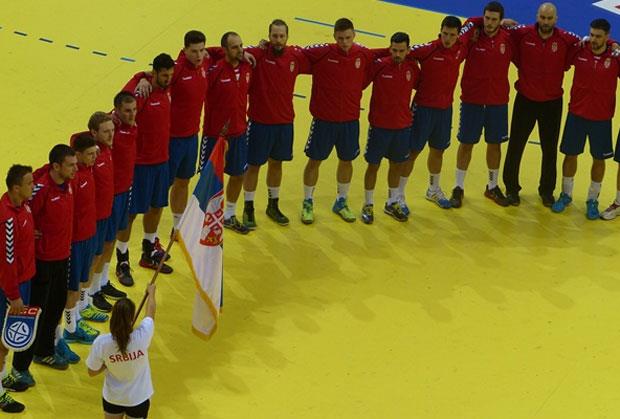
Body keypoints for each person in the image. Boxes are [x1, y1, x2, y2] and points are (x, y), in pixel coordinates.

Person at [300, 18, 381, 224]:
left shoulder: (363, 53)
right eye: (340, 38)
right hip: (323, 121)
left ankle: (341, 201)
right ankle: (307, 202)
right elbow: (296, 52)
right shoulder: (322, 52)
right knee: (314, 161)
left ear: (354, 35)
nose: (344, 42)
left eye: (348, 38)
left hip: (350, 121)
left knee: (347, 161)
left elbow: (384, 53)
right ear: (334, 36)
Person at [501, 3, 581, 206]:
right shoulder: (522, 33)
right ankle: (511, 189)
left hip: (552, 103)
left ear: (556, 19)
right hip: (525, 99)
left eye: (549, 18)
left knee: (550, 149)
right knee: (515, 145)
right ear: (537, 16)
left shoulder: (566, 39)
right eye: (543, 17)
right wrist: (501, 22)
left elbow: (591, 41)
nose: (545, 22)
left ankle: (546, 191)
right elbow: (494, 29)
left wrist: (613, 43)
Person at [12, 145, 76, 375]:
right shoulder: (41, 189)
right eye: (70, 165)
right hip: (43, 261)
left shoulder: (67, 184)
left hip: (62, 256)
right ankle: (20, 367)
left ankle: (45, 350)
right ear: (56, 166)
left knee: (56, 306)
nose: (75, 169)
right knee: (36, 313)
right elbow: (22, 210)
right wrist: (30, 232)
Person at [241, 19, 311, 229]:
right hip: (259, 122)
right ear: (268, 36)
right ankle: (248, 207)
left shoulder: (295, 55)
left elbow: (319, 58)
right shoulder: (258, 54)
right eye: (274, 36)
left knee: (276, 164)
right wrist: (246, 51)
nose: (278, 40)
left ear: (287, 37)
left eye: (281, 36)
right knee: (253, 166)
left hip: (284, 123)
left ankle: (273, 205)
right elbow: (232, 50)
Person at [399, 16, 468, 211]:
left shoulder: (461, 47)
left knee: (438, 150)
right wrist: (416, 79)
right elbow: (404, 54)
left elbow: (473, 24)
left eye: (452, 35)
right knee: (412, 152)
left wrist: (502, 23)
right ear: (440, 31)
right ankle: (398, 195)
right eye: (445, 34)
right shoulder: (428, 49)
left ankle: (433, 189)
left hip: (445, 110)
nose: (447, 39)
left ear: (458, 35)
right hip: (422, 109)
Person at [551, 19, 619, 219]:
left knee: (599, 159)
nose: (594, 40)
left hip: (602, 118)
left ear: (607, 37)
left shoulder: (615, 57)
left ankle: (592, 199)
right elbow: (562, 57)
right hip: (577, 115)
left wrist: (615, 44)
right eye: (592, 35)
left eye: (599, 36)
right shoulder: (579, 50)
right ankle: (566, 194)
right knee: (570, 155)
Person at [449, 1, 513, 208]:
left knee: (495, 144)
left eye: (494, 19)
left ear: (500, 21)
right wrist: (476, 22)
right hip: (472, 100)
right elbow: (463, 28)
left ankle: (492, 186)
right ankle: (458, 187)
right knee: (466, 143)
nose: (489, 23)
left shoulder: (508, 37)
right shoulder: (472, 34)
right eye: (486, 18)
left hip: (497, 101)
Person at [119, 53, 175, 274]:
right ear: (155, 73)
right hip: (140, 164)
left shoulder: (167, 88)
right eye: (164, 75)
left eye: (170, 75)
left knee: (157, 206)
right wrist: (140, 77)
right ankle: (122, 258)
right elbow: (122, 104)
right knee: (131, 213)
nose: (168, 79)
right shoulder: (142, 91)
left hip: (162, 161)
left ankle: (149, 250)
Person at [360, 31, 420, 224]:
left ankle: (392, 202)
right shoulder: (379, 65)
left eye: (401, 51)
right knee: (373, 166)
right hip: (379, 127)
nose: (397, 54)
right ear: (389, 48)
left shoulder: (412, 67)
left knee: (397, 165)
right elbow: (360, 84)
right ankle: (368, 204)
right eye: (394, 50)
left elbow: (421, 87)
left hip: (402, 127)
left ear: (408, 50)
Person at [200, 31, 253, 234]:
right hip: (215, 135)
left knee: (238, 174)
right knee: (209, 180)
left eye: (241, 45)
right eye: (234, 47)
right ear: (224, 50)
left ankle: (229, 214)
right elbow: (201, 52)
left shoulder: (247, 66)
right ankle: (202, 218)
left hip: (239, 132)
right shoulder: (214, 71)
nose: (240, 50)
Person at [87, 284, 156, 419]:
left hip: (113, 398)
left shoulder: (102, 343)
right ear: (132, 319)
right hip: (138, 398)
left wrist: (107, 363)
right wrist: (151, 293)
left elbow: (92, 372)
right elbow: (150, 313)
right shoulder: (143, 335)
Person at [60, 134, 101, 356]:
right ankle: (70, 328)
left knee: (82, 280)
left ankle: (76, 318)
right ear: (77, 155)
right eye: (90, 154)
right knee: (72, 287)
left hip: (88, 236)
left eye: (95, 153)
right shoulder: (74, 179)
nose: (95, 157)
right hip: (75, 241)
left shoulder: (89, 169)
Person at [0, 165, 35, 412]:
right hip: (10, 286)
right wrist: (13, 295)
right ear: (16, 188)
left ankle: (3, 378)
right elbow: (7, 261)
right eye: (29, 184)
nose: (33, 186)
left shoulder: (23, 207)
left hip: (23, 279)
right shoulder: (7, 220)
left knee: (6, 338)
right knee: (2, 340)